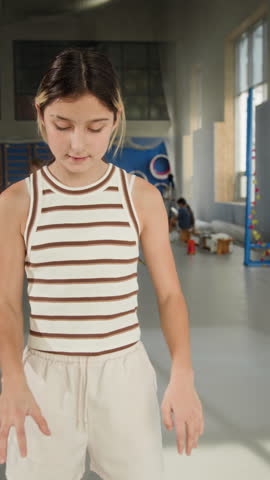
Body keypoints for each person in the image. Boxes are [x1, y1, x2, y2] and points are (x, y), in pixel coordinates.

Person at [0, 47, 204, 480]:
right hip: (45, 376)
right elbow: (7, 303)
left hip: (123, 376)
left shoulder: (140, 198)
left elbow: (169, 295)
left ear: (116, 119)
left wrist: (182, 373)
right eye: (62, 125)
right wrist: (12, 379)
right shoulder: (18, 202)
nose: (77, 143)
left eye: (95, 128)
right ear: (40, 115)